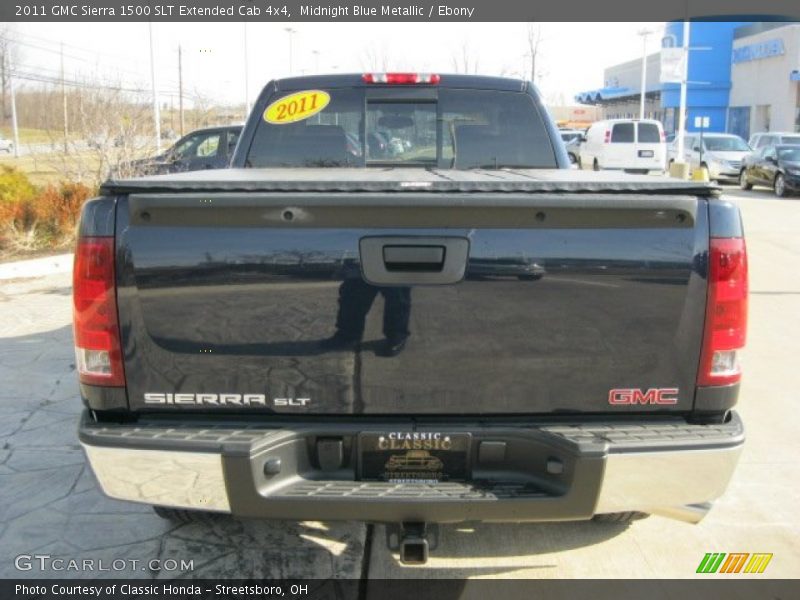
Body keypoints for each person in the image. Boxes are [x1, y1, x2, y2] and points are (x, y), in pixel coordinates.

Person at [321, 277, 411, 357]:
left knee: (397, 293)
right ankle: (348, 334)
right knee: (354, 288)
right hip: (364, 259)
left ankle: (396, 336)